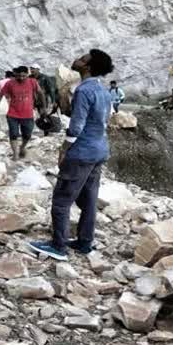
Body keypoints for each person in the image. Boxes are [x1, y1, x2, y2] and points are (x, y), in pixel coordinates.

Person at [28, 49, 114, 261]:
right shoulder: (102, 91)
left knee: (61, 200)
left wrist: (64, 148)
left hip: (82, 152)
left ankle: (59, 247)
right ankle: (84, 242)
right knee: (89, 200)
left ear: (88, 67)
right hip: (100, 149)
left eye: (83, 58)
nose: (77, 59)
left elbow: (76, 127)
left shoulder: (84, 91)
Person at [0, 66, 46, 160]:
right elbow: (0, 94)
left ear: (27, 74)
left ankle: (22, 147)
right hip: (13, 114)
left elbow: (40, 93)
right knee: (13, 134)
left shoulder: (32, 82)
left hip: (28, 114)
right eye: (19, 76)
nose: (21, 78)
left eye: (23, 76)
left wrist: (44, 108)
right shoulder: (10, 83)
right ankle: (15, 154)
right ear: (15, 75)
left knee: (27, 135)